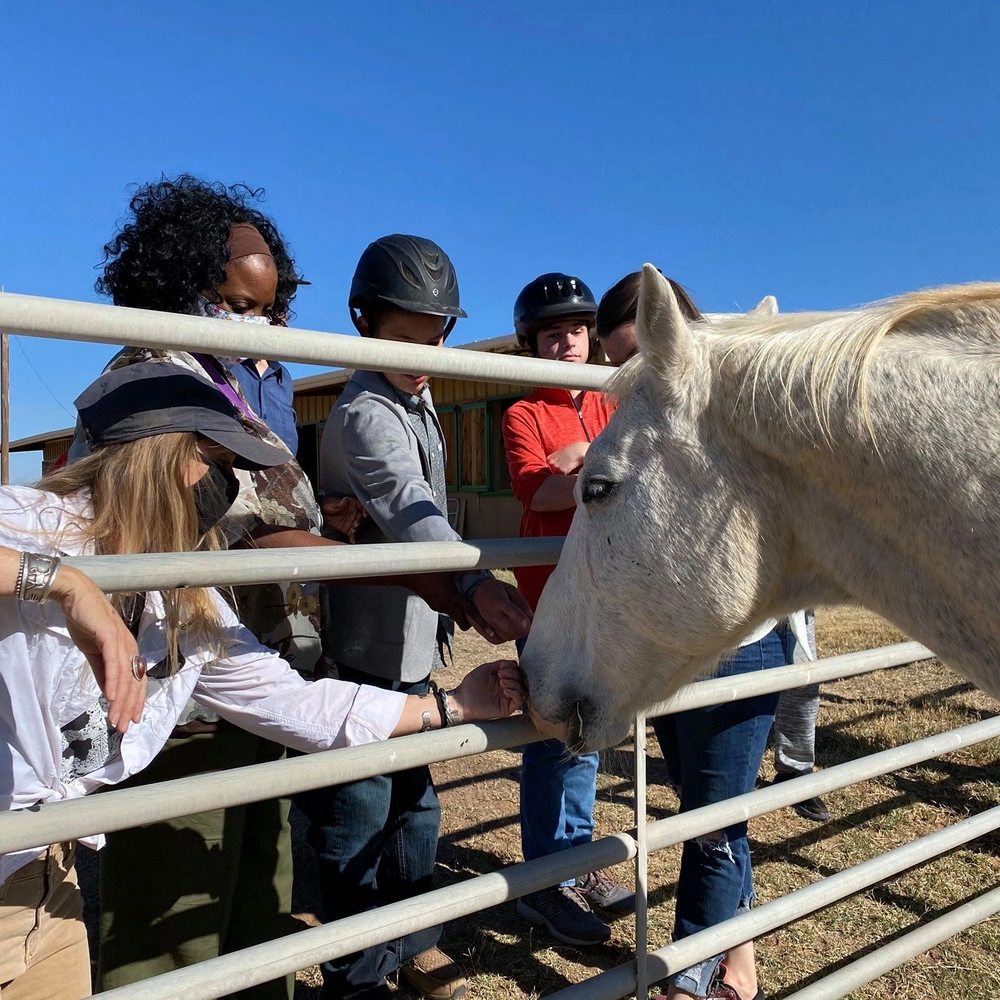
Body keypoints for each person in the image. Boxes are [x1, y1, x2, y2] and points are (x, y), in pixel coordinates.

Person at [85, 178, 504, 997]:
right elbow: (261, 529)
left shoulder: (243, 383)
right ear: (180, 292)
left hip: (256, 663)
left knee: (257, 891)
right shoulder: (155, 377)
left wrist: (332, 520)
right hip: (178, 688)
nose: (254, 324)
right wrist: (458, 587)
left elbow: (277, 516)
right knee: (174, 910)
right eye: (231, 303)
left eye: (266, 309)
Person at [0, 361, 526, 1000]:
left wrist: (452, 706)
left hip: (44, 882)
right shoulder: (29, 522)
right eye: (215, 462)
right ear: (161, 459)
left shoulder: (186, 599)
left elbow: (298, 706)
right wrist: (64, 585)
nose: (226, 488)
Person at [295, 234, 533, 1000]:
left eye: (438, 336)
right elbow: (409, 505)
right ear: (364, 322)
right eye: (408, 337)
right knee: (356, 811)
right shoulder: (367, 412)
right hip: (364, 644)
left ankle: (412, 942)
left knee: (414, 808)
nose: (427, 352)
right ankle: (359, 972)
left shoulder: (418, 398)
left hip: (407, 644)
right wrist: (475, 582)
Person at [596, 270, 798, 1000]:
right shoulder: (647, 423)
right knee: (709, 810)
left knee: (712, 825)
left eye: (645, 354)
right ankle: (737, 963)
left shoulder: (725, 411)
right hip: (681, 646)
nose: (638, 378)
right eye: (619, 360)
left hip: (742, 644)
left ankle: (687, 980)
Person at [501, 272, 635, 947]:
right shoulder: (523, 414)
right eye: (551, 334)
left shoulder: (615, 405)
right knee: (552, 731)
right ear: (533, 344)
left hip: (603, 593)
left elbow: (617, 474)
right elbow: (540, 492)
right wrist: (591, 470)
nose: (565, 344)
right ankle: (544, 879)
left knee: (588, 732)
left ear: (591, 338)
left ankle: (575, 859)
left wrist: (578, 461)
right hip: (550, 594)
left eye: (574, 331)